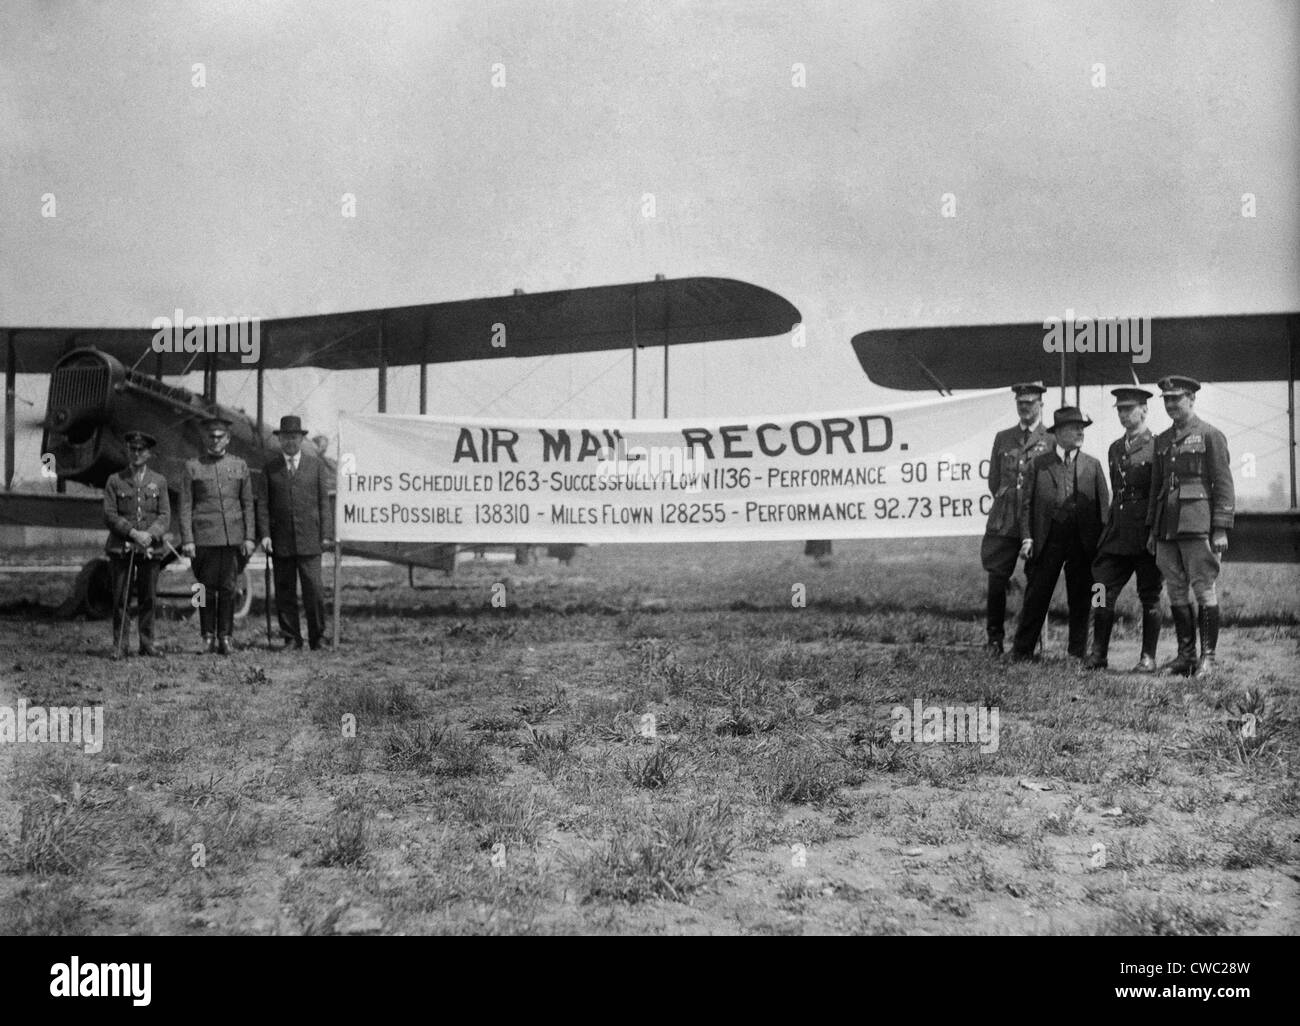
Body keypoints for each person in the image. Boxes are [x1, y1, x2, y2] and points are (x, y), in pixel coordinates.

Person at [1146, 376, 1235, 676]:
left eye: (1177, 398)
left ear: (1192, 399)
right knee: (1175, 589)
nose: (1171, 404)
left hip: (1198, 523)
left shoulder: (1210, 435)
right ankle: (1186, 656)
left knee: (1203, 588)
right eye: (1167, 400)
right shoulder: (1161, 440)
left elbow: (1223, 484)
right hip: (1166, 526)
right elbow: (1156, 486)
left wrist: (1221, 528)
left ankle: (1208, 657)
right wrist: (1152, 529)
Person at [1010, 407, 1109, 661]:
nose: (1079, 432)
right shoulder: (1039, 464)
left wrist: (1102, 546)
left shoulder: (1093, 465)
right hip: (1047, 540)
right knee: (1037, 595)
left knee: (1082, 597)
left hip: (1083, 542)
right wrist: (1027, 537)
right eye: (1073, 428)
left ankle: (1077, 653)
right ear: (1059, 433)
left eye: (1082, 428)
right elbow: (1026, 505)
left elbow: (1103, 509)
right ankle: (1022, 651)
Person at [1084, 388, 1164, 671]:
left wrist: (1155, 531)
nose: (1123, 414)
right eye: (1119, 409)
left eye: (1128, 409)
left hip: (1145, 534)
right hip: (1117, 534)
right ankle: (1098, 653)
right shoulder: (1115, 448)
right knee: (1100, 588)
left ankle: (1148, 657)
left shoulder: (1157, 446)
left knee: (1150, 595)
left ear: (1144, 410)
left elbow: (1158, 493)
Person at [980, 382, 1051, 655]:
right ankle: (994, 639)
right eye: (1021, 403)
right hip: (1005, 520)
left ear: (1040, 405)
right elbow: (994, 481)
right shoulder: (1003, 437)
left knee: (1037, 581)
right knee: (997, 580)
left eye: (1030, 403)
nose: (1025, 408)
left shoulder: (1051, 438)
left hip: (1035, 521)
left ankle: (1029, 641)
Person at [179, 415, 256, 655]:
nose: (215, 441)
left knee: (228, 588)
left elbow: (247, 505)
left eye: (219, 436)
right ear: (205, 439)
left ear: (228, 439)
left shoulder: (239, 466)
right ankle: (206, 636)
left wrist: (249, 537)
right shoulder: (193, 467)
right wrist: (188, 540)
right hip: (203, 539)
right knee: (202, 589)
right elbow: (185, 506)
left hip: (232, 538)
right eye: (211, 436)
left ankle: (226, 637)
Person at [257, 415, 334, 650]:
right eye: (285, 438)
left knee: (314, 591)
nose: (289, 442)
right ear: (279, 440)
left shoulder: (316, 466)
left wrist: (326, 533)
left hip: (310, 540)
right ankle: (291, 638)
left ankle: (317, 637)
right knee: (285, 591)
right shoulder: (270, 468)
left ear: (301, 439)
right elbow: (263, 505)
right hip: (281, 542)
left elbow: (323, 502)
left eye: (294, 437)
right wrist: (265, 534)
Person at [103, 430, 170, 659]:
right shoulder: (115, 480)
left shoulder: (159, 481)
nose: (137, 453)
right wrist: (133, 533)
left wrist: (149, 536)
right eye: (132, 449)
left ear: (149, 453)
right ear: (127, 451)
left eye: (141, 450)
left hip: (150, 549)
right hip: (122, 548)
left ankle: (147, 643)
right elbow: (110, 515)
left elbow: (164, 515)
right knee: (121, 597)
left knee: (148, 597)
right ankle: (120, 644)